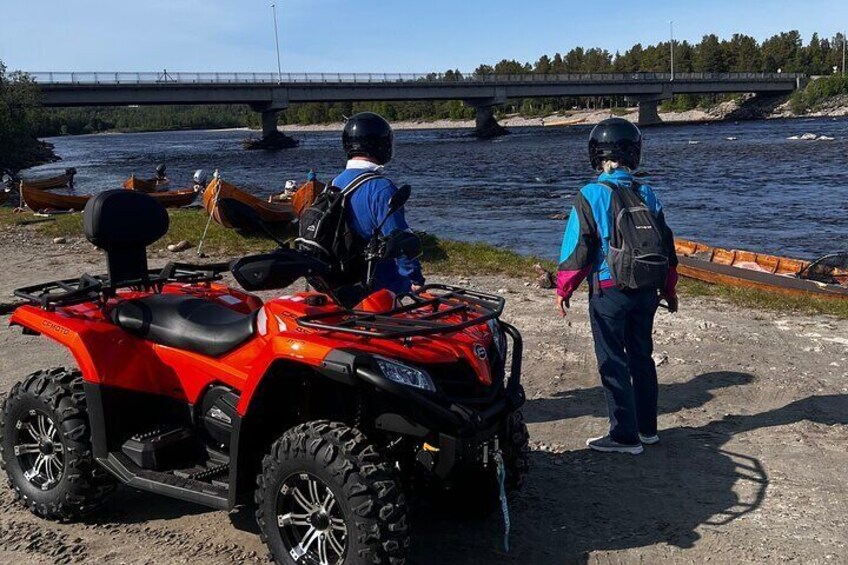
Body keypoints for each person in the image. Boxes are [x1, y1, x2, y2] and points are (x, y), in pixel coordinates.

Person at [556, 117, 678, 455]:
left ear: (597, 155)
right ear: (634, 154)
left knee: (613, 360)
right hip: (647, 290)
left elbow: (577, 250)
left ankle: (624, 437)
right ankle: (647, 430)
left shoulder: (590, 193)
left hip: (609, 291)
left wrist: (563, 289)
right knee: (642, 357)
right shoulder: (647, 192)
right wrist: (669, 289)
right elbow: (667, 246)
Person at [333, 112, 424, 295]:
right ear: (381, 145)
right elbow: (400, 240)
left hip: (345, 278)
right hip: (379, 283)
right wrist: (415, 279)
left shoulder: (335, 183)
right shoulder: (381, 189)